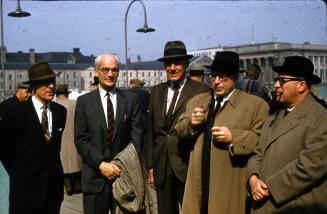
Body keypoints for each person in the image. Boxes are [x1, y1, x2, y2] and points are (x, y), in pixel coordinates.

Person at [175, 51, 269, 214]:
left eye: (223, 77)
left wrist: (234, 137)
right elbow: (179, 130)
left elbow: (262, 139)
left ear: (235, 78)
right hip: (199, 182)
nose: (216, 82)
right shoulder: (198, 101)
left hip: (228, 185)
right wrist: (192, 124)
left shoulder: (256, 106)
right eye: (214, 76)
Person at [246, 56, 327, 214]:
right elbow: (257, 154)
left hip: (294, 206)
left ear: (301, 85)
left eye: (282, 80)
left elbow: (310, 166)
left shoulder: (320, 117)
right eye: (277, 80)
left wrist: (268, 187)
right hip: (263, 203)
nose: (276, 85)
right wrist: (253, 178)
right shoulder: (273, 118)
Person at [74, 53, 142, 214]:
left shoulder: (131, 100)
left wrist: (119, 164)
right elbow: (81, 140)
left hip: (124, 178)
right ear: (96, 72)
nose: (110, 74)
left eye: (114, 70)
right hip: (95, 178)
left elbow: (137, 136)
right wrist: (101, 165)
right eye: (105, 70)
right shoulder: (84, 102)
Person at [147, 40, 209, 214]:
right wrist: (150, 166)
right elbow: (151, 132)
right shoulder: (156, 91)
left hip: (187, 164)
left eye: (177, 63)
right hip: (161, 166)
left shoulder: (201, 90)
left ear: (186, 64)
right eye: (168, 64)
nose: (172, 68)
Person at [0, 62, 67, 214]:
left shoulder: (60, 112)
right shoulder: (16, 109)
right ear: (34, 85)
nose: (51, 86)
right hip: (25, 191)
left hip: (53, 192)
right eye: (46, 82)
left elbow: (54, 150)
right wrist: (20, 172)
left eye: (53, 82)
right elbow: (4, 149)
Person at [55, 84, 82, 196]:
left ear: (57, 94)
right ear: (67, 93)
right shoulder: (75, 104)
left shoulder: (55, 105)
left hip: (60, 138)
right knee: (75, 162)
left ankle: (68, 188)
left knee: (64, 164)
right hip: (74, 137)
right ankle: (78, 186)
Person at [128, 78, 150, 165]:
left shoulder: (127, 92)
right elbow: (149, 105)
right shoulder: (146, 93)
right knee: (144, 146)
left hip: (131, 122)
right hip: (144, 121)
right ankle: (144, 164)